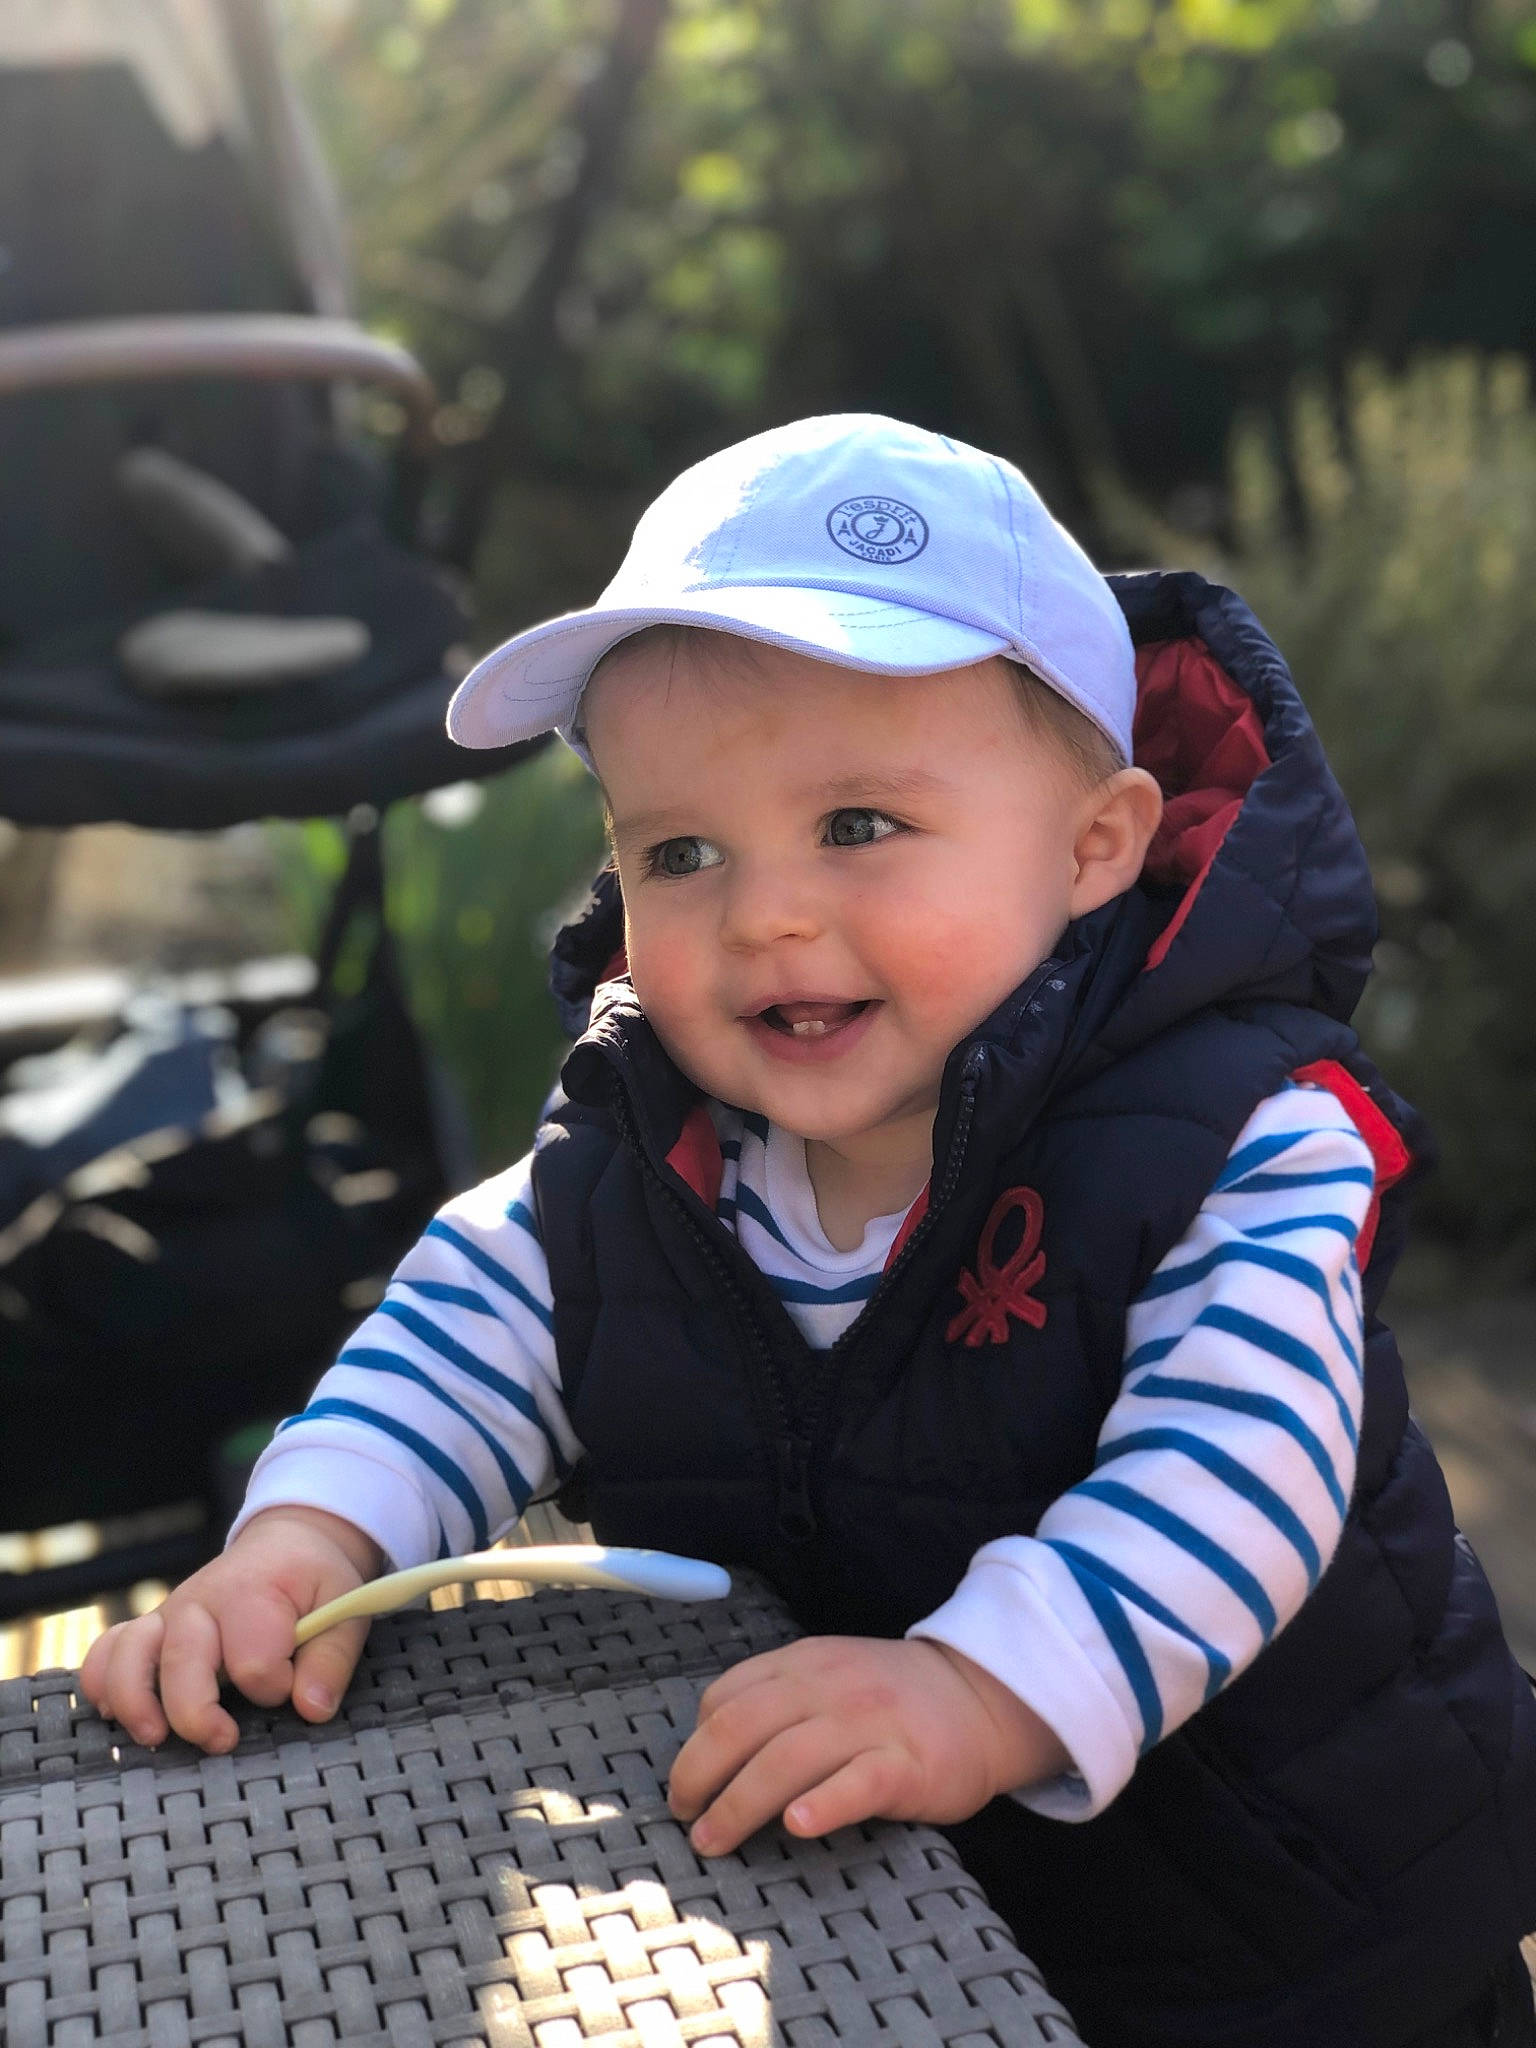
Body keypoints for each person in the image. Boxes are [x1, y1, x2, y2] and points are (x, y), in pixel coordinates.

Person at [82, 416, 1536, 2048]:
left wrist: (983, 1690)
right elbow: (454, 1338)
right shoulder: (644, 1163)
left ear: (1093, 848)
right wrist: (302, 1548)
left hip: (1303, 1939)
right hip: (895, 1925)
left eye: (857, 825)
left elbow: (1247, 1461)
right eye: (680, 851)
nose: (762, 912)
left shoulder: (1233, 1141)